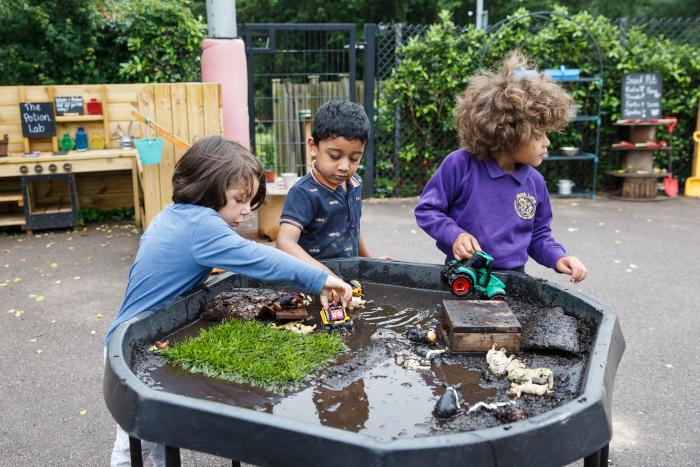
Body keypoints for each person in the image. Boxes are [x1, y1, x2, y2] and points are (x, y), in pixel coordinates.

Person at [104, 136, 352, 466]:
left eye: (250, 201)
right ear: (206, 190)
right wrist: (321, 278)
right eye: (239, 199)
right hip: (132, 346)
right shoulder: (202, 227)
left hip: (140, 337)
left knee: (160, 431)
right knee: (134, 443)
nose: (247, 210)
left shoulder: (176, 215)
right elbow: (260, 258)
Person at [414, 51, 587, 283]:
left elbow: (538, 235)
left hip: (514, 280)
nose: (547, 142)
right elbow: (427, 210)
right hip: (463, 274)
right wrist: (454, 235)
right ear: (509, 132)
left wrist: (558, 258)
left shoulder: (535, 183)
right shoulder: (460, 165)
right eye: (539, 134)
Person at [276, 100, 387, 273]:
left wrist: (371, 264)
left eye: (354, 158)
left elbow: (353, 230)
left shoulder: (355, 183)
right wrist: (324, 275)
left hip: (349, 278)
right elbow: (285, 242)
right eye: (334, 156)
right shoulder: (303, 193)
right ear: (313, 147)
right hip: (312, 282)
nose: (344, 166)